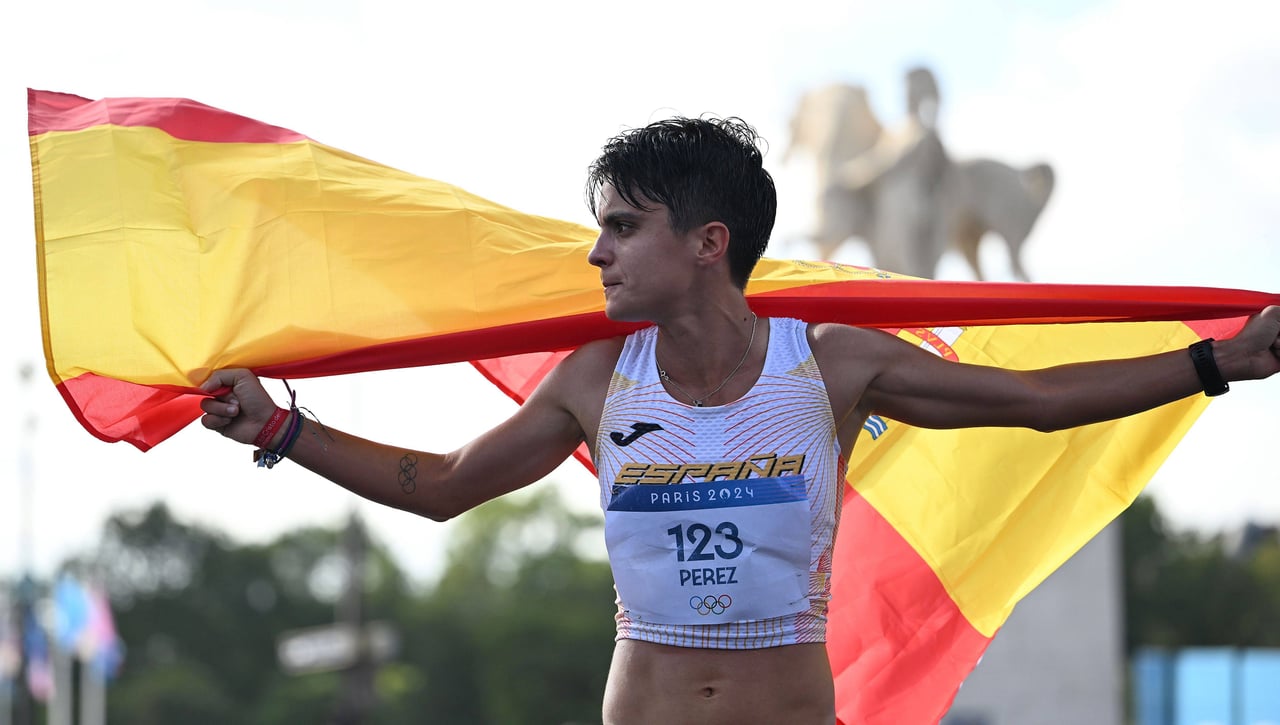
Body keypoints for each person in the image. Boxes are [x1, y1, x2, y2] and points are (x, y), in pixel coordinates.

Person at [199, 116, 1280, 725]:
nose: (596, 254)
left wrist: (1217, 360)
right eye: (599, 228)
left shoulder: (831, 362)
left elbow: (1038, 406)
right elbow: (438, 487)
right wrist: (279, 430)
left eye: (622, 227)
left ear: (707, 241)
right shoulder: (595, 374)